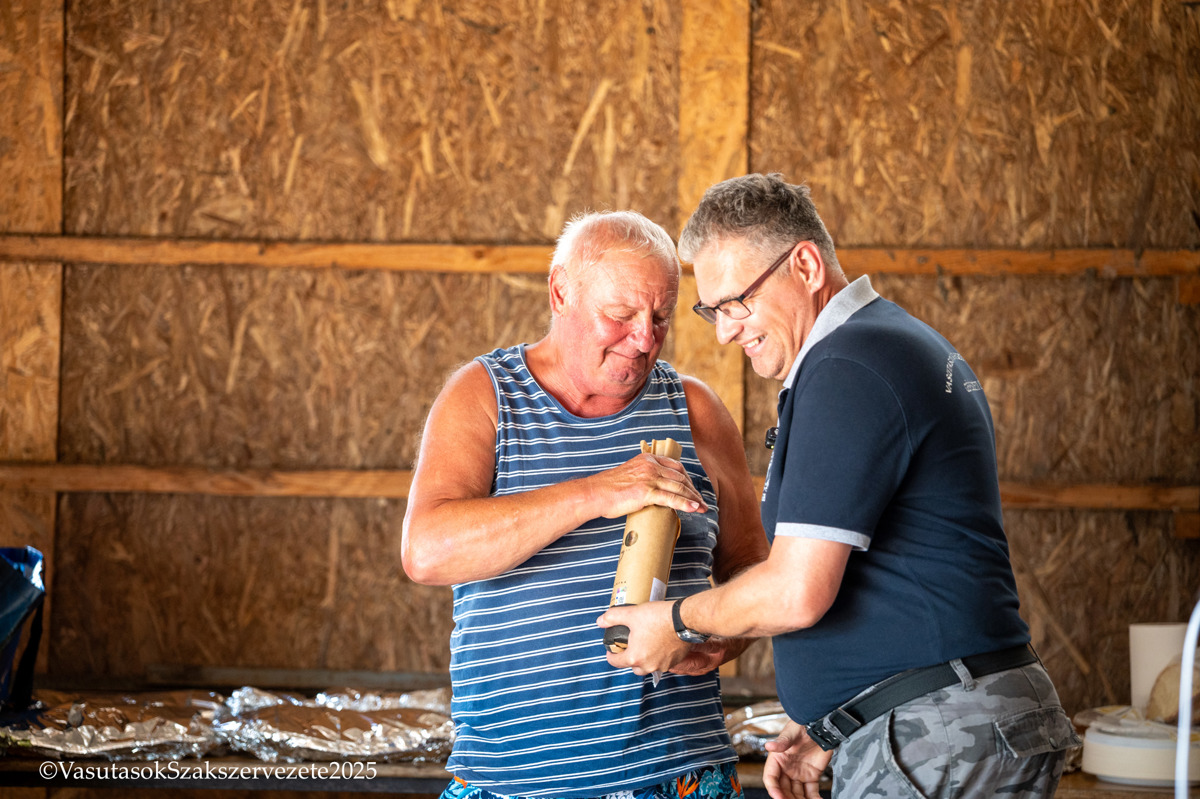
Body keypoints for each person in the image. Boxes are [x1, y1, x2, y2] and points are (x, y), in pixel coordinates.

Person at [600, 174, 1081, 799]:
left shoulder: (847, 365)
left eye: (736, 303)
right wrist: (834, 724)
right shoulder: (885, 347)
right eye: (711, 310)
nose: (725, 331)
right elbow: (903, 575)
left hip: (940, 735)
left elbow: (797, 591)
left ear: (804, 266)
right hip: (947, 725)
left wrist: (675, 621)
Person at [402, 209, 770, 799]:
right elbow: (426, 551)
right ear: (560, 292)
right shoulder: (486, 396)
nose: (644, 339)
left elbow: (752, 567)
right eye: (620, 316)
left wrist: (721, 637)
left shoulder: (696, 409)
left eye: (660, 318)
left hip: (679, 774)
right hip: (513, 780)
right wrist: (599, 492)